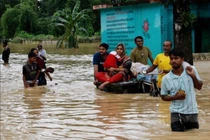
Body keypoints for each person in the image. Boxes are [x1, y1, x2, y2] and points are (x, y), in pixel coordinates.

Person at [160, 48, 203, 132]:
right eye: (171, 58)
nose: (173, 61)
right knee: (177, 136)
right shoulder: (166, 78)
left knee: (193, 135)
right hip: (176, 112)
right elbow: (163, 97)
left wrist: (193, 76)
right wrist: (175, 97)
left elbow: (199, 87)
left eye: (176, 58)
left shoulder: (191, 70)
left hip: (192, 111)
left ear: (182, 59)